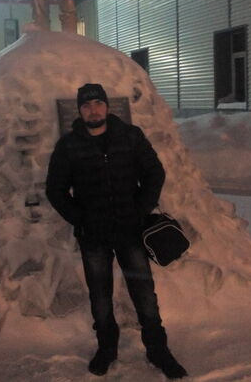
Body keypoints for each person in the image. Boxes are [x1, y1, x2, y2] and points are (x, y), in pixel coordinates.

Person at [46, 84, 187, 379]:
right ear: (80, 110)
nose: (93, 110)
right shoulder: (68, 146)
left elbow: (154, 173)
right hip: (93, 235)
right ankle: (107, 349)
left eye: (98, 103)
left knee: (144, 294)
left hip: (130, 231)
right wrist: (80, 219)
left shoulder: (130, 136)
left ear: (107, 106)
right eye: (87, 105)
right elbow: (55, 190)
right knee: (100, 296)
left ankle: (158, 349)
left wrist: (140, 210)